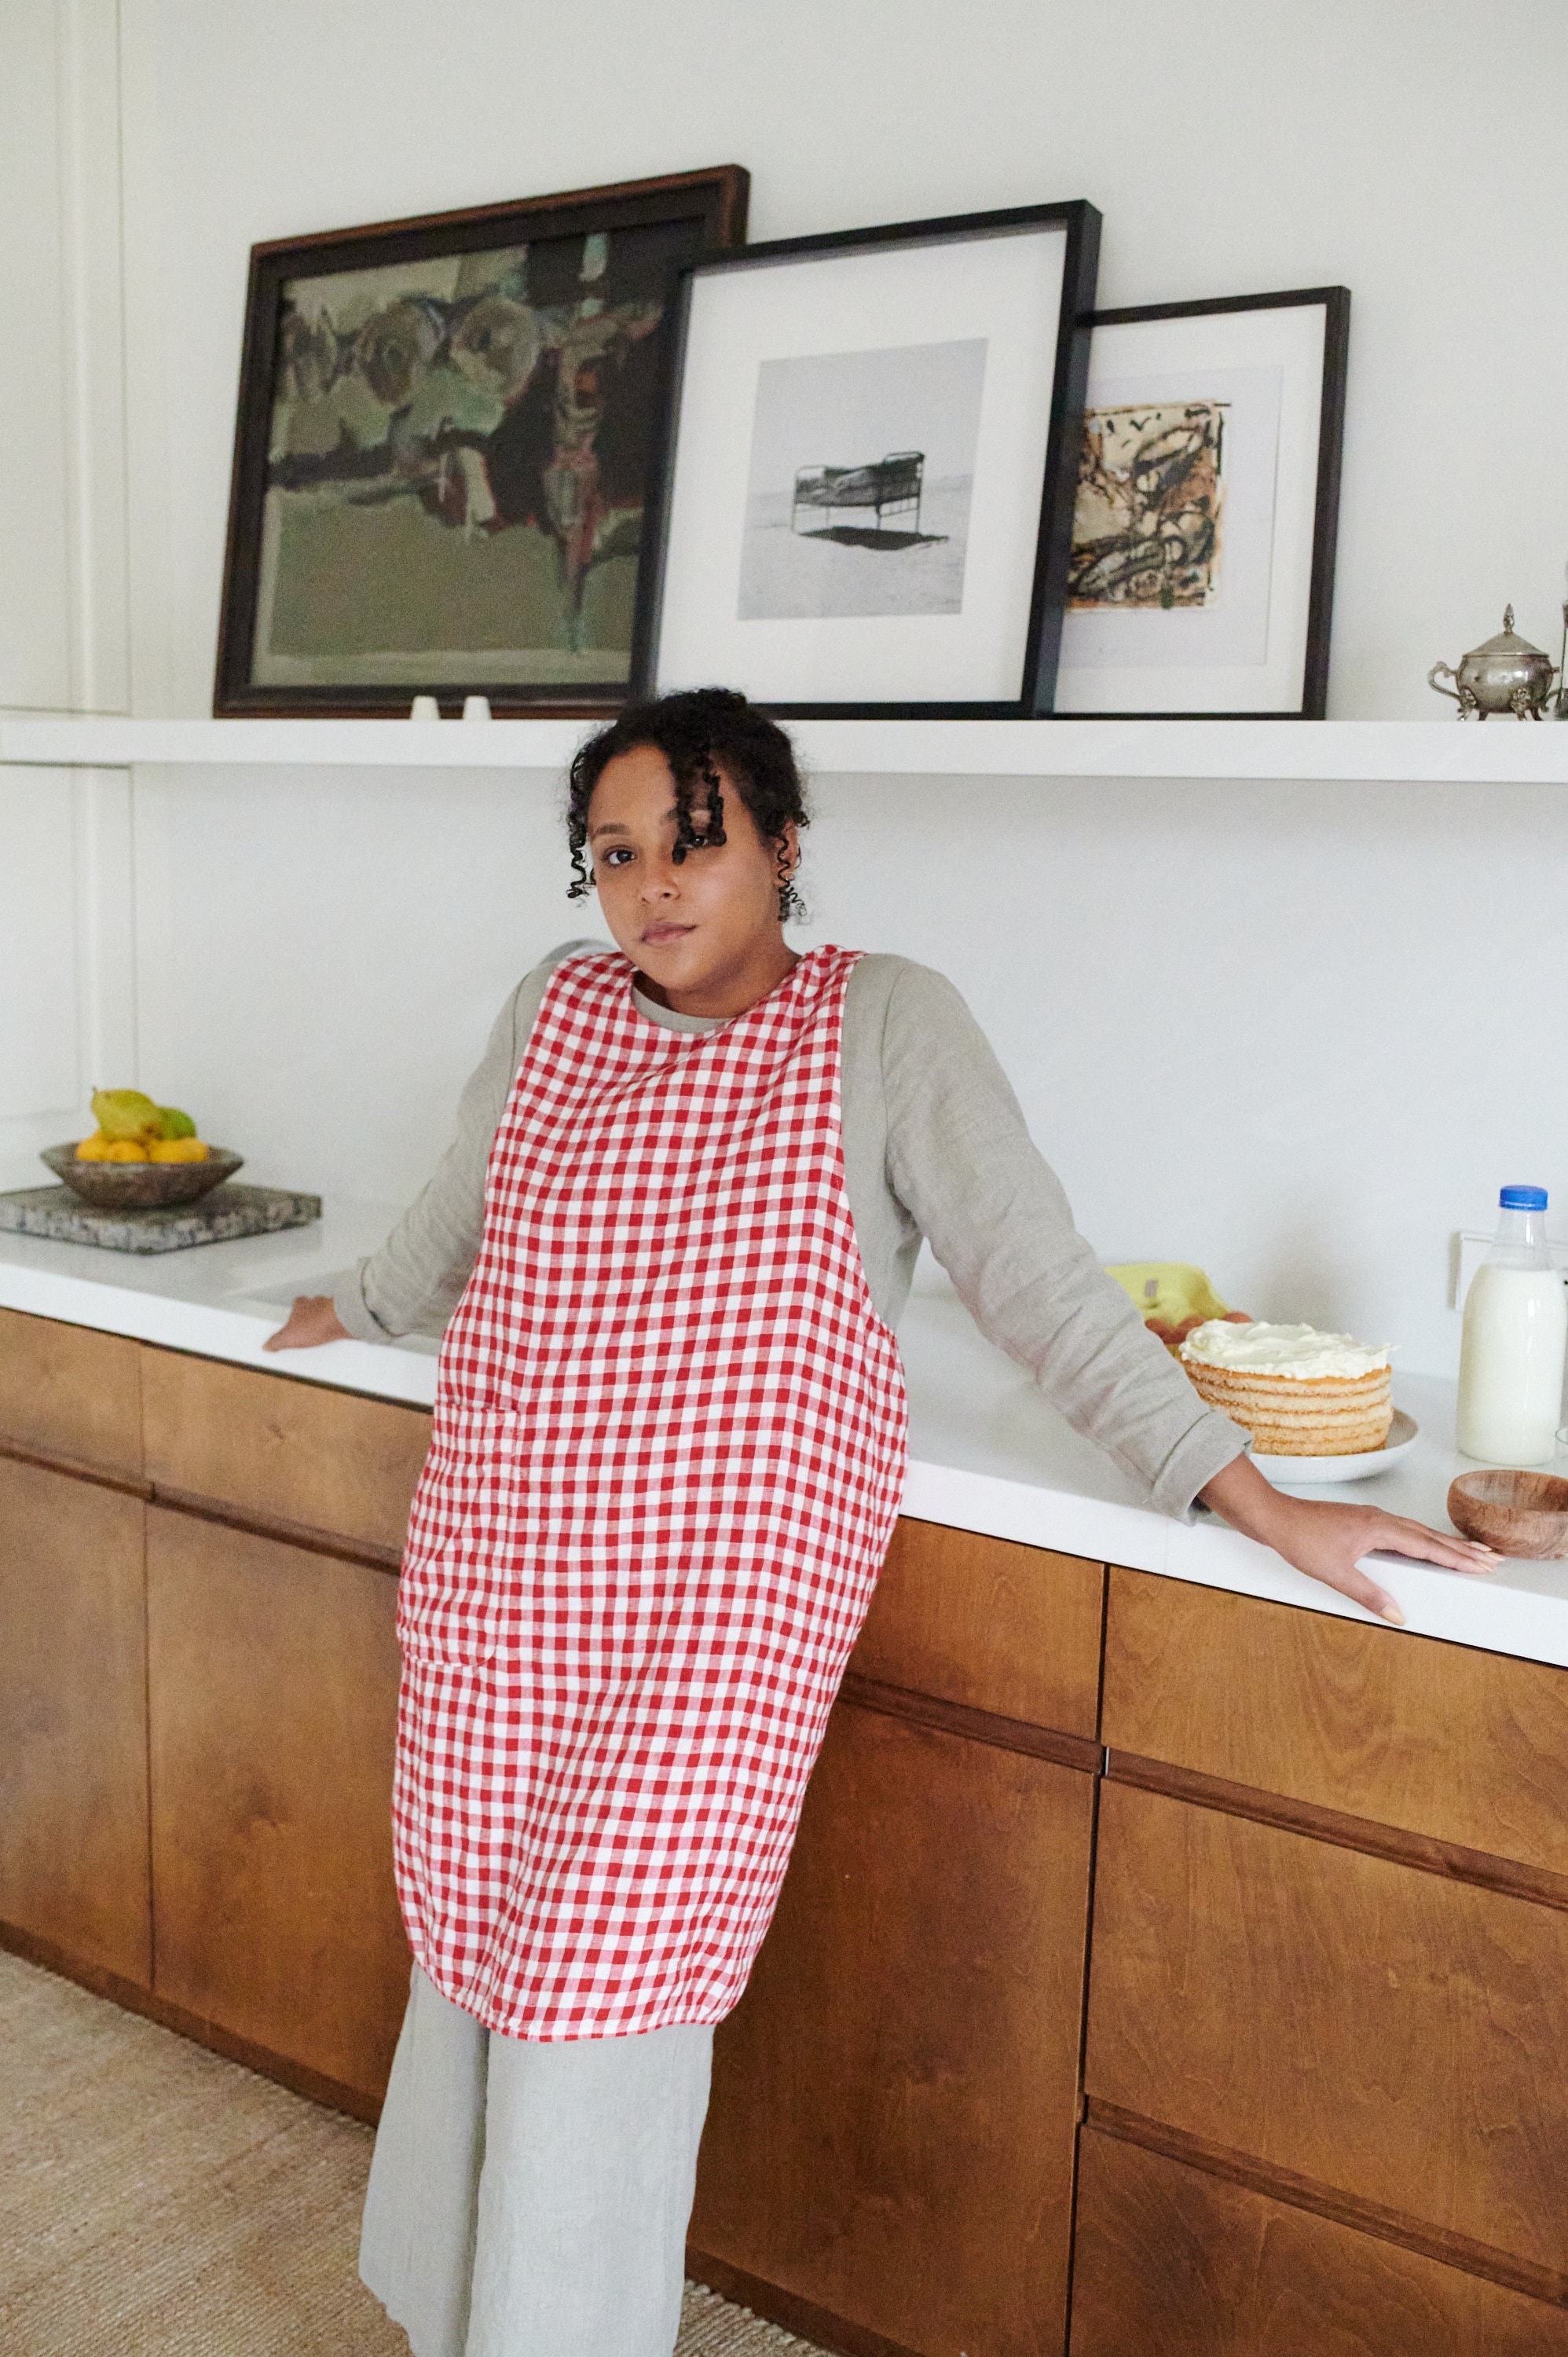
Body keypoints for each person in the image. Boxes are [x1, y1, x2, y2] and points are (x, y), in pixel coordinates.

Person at [265, 687, 1494, 2357]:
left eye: (691, 842)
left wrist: (1261, 1503)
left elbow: (1045, 1292)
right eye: (613, 857)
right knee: (477, 1950)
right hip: (502, 1569)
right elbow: (451, 1226)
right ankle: (451, 2317)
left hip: (719, 1607)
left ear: (781, 842)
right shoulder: (553, 1007)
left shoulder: (884, 1024)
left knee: (598, 1989)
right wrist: (344, 1305)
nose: (651, 889)